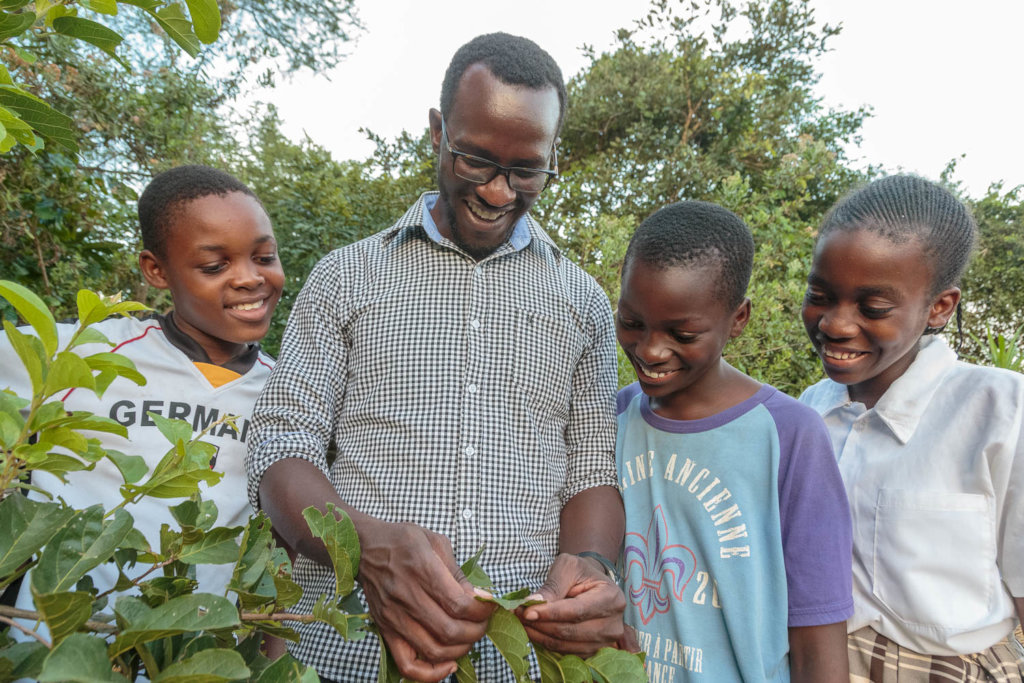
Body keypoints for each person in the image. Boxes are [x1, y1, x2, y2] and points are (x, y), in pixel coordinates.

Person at [246, 32, 625, 682]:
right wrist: (361, 546)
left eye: (526, 170)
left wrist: (591, 563)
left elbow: (590, 469)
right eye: (474, 159)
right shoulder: (346, 277)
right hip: (344, 653)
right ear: (436, 131)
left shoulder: (583, 303)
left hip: (515, 661)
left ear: (552, 156)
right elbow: (282, 442)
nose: (500, 192)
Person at [2, 164, 284, 632]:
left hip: (194, 654)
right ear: (156, 270)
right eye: (215, 266)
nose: (249, 278)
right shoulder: (82, 353)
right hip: (52, 644)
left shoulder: (287, 390)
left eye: (265, 257)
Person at [615, 201, 854, 681]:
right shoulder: (614, 416)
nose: (649, 350)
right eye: (632, 322)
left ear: (738, 318)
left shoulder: (791, 435)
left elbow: (817, 634)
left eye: (682, 333)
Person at [799, 174, 1024, 681]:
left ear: (939, 307)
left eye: (873, 308)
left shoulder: (1000, 410)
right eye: (820, 295)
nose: (835, 324)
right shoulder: (810, 409)